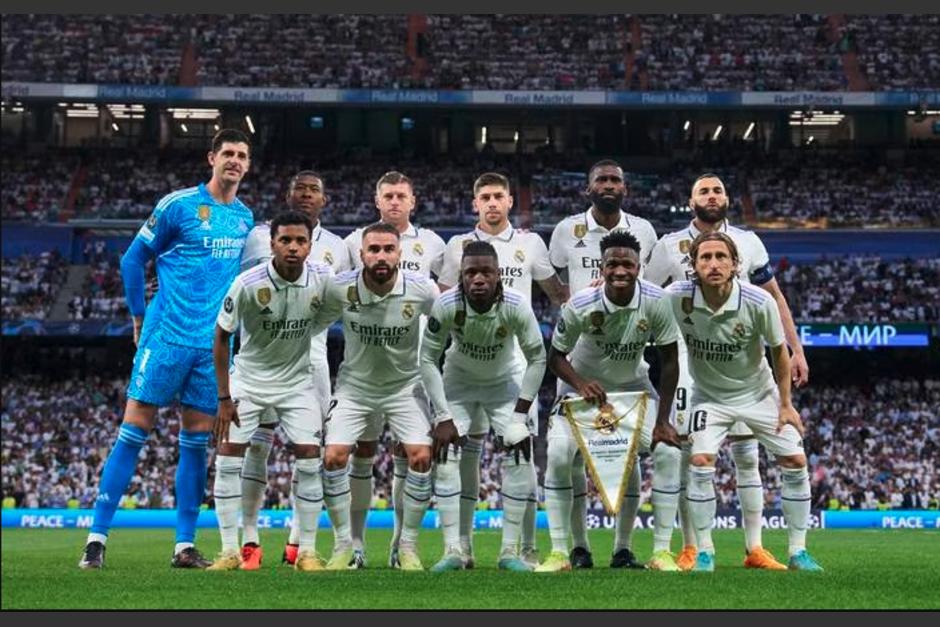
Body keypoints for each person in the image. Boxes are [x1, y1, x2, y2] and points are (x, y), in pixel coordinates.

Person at [79, 129, 254, 569]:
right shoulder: (177, 206)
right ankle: (96, 539)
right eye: (227, 153)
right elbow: (132, 259)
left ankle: (184, 545)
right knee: (133, 429)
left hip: (211, 345)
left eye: (242, 155)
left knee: (196, 442)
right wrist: (139, 316)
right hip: (167, 336)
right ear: (211, 158)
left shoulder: (245, 219)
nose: (234, 161)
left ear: (248, 165)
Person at [644, 173, 809, 570]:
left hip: (747, 367)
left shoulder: (750, 243)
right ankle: (693, 546)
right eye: (703, 190)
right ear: (690, 200)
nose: (712, 196)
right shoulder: (669, 247)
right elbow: (645, 296)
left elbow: (774, 297)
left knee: (748, 454)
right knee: (691, 455)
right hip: (690, 363)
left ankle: (757, 547)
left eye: (718, 189)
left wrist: (796, 346)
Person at [664, 232, 822, 572]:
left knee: (795, 460)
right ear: (692, 265)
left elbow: (779, 352)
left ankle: (798, 552)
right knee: (701, 460)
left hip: (759, 394)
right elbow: (642, 302)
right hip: (709, 397)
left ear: (736, 264)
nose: (713, 264)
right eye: (705, 258)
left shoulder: (757, 301)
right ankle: (705, 551)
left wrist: (785, 404)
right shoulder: (677, 297)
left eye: (721, 256)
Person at [437, 171, 567, 569]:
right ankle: (461, 549)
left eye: (499, 196)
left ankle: (523, 548)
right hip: (464, 365)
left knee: (521, 459)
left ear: (511, 201)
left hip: (513, 365)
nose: (492, 203)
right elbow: (444, 299)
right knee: (463, 458)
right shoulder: (457, 246)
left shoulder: (530, 243)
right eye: (485, 197)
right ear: (474, 203)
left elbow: (558, 295)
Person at [537, 231, 681, 572]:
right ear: (601, 268)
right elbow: (555, 357)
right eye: (612, 263)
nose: (620, 270)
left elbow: (671, 360)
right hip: (579, 393)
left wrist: (662, 422)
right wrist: (581, 383)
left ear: (639, 267)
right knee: (559, 455)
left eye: (627, 263)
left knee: (669, 451)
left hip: (634, 389)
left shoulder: (657, 301)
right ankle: (567, 551)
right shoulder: (581, 305)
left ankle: (650, 552)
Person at [546, 159, 658, 569]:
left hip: (630, 360)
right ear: (587, 188)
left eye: (615, 180)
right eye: (601, 180)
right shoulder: (566, 231)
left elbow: (652, 284)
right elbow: (553, 281)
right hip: (580, 356)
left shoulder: (644, 231)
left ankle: (623, 548)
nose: (608, 186)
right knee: (567, 457)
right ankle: (577, 547)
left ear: (625, 188)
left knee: (631, 455)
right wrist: (574, 307)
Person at [238, 171, 352, 568]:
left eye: (313, 190)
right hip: (261, 359)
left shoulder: (339, 247)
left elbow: (349, 298)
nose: (306, 195)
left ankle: (298, 541)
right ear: (287, 196)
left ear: (325, 199)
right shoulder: (256, 236)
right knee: (256, 446)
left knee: (311, 451)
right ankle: (249, 540)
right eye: (299, 189)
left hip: (312, 359)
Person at [208, 211, 333, 572]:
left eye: (300, 241)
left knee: (311, 458)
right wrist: (224, 397)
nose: (293, 247)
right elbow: (220, 336)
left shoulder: (322, 280)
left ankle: (307, 552)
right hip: (249, 382)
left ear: (310, 245)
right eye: (285, 240)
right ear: (272, 243)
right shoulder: (248, 283)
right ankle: (230, 551)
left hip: (297, 384)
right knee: (229, 459)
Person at [314, 222, 442, 571]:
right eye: (374, 250)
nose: (381, 256)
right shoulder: (341, 288)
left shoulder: (421, 289)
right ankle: (346, 547)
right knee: (335, 457)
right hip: (355, 388)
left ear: (400, 253)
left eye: (388, 249)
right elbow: (312, 325)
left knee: (419, 457)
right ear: (361, 254)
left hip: (405, 387)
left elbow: (450, 325)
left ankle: (406, 547)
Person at [421, 240, 547, 571]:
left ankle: (509, 552)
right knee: (446, 458)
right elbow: (427, 358)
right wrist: (443, 416)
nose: (478, 279)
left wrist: (520, 414)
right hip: (459, 382)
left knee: (520, 453)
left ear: (498, 276)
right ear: (461, 276)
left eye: (486, 272)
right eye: (470, 272)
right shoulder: (447, 304)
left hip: (504, 383)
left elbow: (537, 358)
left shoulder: (517, 305)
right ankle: (454, 550)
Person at [342, 171, 445, 568]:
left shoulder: (433, 243)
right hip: (365, 364)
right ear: (376, 200)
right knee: (362, 453)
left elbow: (443, 304)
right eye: (388, 195)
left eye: (402, 195)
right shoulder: (355, 242)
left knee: (410, 454)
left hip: (413, 367)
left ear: (413, 201)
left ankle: (403, 546)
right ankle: (355, 545)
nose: (395, 202)